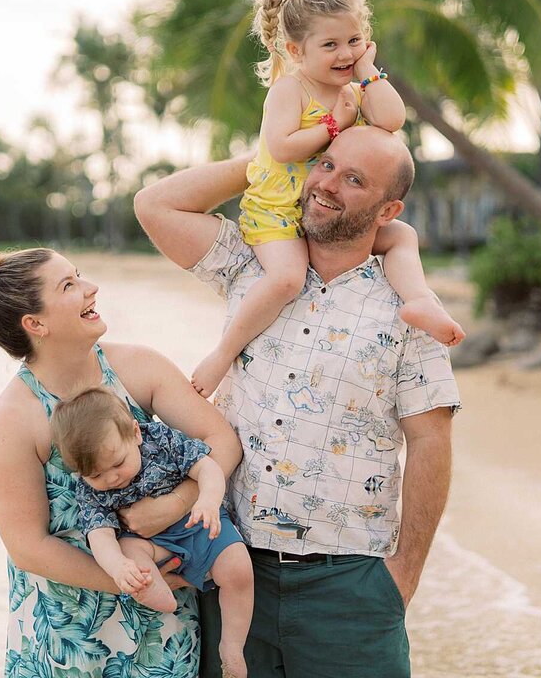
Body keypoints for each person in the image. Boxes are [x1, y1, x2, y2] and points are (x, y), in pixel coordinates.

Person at [134, 125, 462, 678]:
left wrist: (402, 576)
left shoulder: (408, 309)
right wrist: (275, 155)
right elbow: (155, 204)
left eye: (354, 179)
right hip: (235, 573)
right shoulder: (251, 266)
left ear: (389, 210)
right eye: (325, 165)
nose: (327, 185)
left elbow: (430, 441)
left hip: (352, 585)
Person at [0, 240, 242, 678]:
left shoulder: (139, 368)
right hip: (66, 639)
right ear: (36, 323)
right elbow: (27, 547)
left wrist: (174, 504)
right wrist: (138, 582)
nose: (92, 288)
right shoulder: (14, 419)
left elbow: (221, 439)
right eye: (70, 285)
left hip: (161, 634)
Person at [189, 0, 465, 398]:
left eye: (354, 41)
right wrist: (334, 124)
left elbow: (391, 120)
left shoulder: (354, 90)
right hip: (278, 208)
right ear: (298, 51)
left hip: (318, 206)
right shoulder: (290, 90)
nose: (345, 54)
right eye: (331, 45)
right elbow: (281, 148)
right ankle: (223, 354)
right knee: (286, 279)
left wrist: (369, 71)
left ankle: (419, 299)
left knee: (401, 235)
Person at [52, 387, 254, 677]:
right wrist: (119, 567)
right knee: (130, 550)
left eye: (118, 463)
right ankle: (152, 589)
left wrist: (208, 501)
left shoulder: (161, 440)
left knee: (238, 568)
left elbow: (207, 468)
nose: (111, 478)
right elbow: (100, 535)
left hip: (196, 521)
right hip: (151, 544)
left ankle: (232, 647)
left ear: (135, 433)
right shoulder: (88, 490)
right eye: (95, 475)